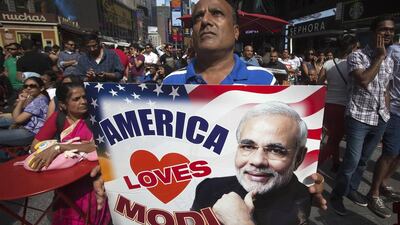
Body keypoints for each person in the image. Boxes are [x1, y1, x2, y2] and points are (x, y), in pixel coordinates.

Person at [92, 0, 326, 212]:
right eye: (198, 18)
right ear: (192, 33)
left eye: (216, 14)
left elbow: (284, 145)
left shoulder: (264, 81)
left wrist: (305, 184)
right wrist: (114, 170)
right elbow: (154, 144)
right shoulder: (172, 82)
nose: (205, 21)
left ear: (235, 32)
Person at [192, 102, 311, 225]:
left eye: (275, 150)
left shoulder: (305, 201)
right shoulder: (208, 188)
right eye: (248, 146)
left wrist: (240, 221)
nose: (257, 161)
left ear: (299, 158)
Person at [330, 15, 395, 217]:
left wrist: (386, 108)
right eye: (384, 29)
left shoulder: (390, 60)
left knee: (364, 160)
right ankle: (336, 196)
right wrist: (379, 57)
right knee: (351, 160)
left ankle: (352, 189)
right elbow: (364, 80)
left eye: (391, 30)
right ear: (373, 32)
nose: (388, 33)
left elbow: (386, 88)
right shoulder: (357, 56)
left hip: (380, 118)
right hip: (358, 116)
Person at [29, 82, 110, 224]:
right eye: (76, 99)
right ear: (63, 104)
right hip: (66, 181)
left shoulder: (96, 116)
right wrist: (51, 150)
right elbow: (35, 145)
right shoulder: (57, 119)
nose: (83, 101)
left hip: (93, 179)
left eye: (84, 97)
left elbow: (99, 146)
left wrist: (61, 147)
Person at [366, 34, 400, 218]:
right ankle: (374, 193)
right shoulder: (394, 51)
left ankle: (384, 183)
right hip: (395, 111)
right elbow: (383, 76)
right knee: (390, 153)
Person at [318, 35, 359, 172]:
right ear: (352, 48)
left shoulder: (328, 63)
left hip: (327, 104)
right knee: (334, 140)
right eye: (357, 48)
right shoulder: (354, 64)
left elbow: (319, 84)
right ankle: (312, 168)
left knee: (333, 136)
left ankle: (335, 163)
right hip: (343, 106)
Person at [0, 77, 49, 147]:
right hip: (27, 128)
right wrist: (22, 100)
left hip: (31, 133)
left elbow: (17, 119)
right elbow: (15, 117)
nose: (28, 88)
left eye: (32, 86)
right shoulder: (37, 97)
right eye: (26, 86)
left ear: (41, 88)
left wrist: (21, 101)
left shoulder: (38, 101)